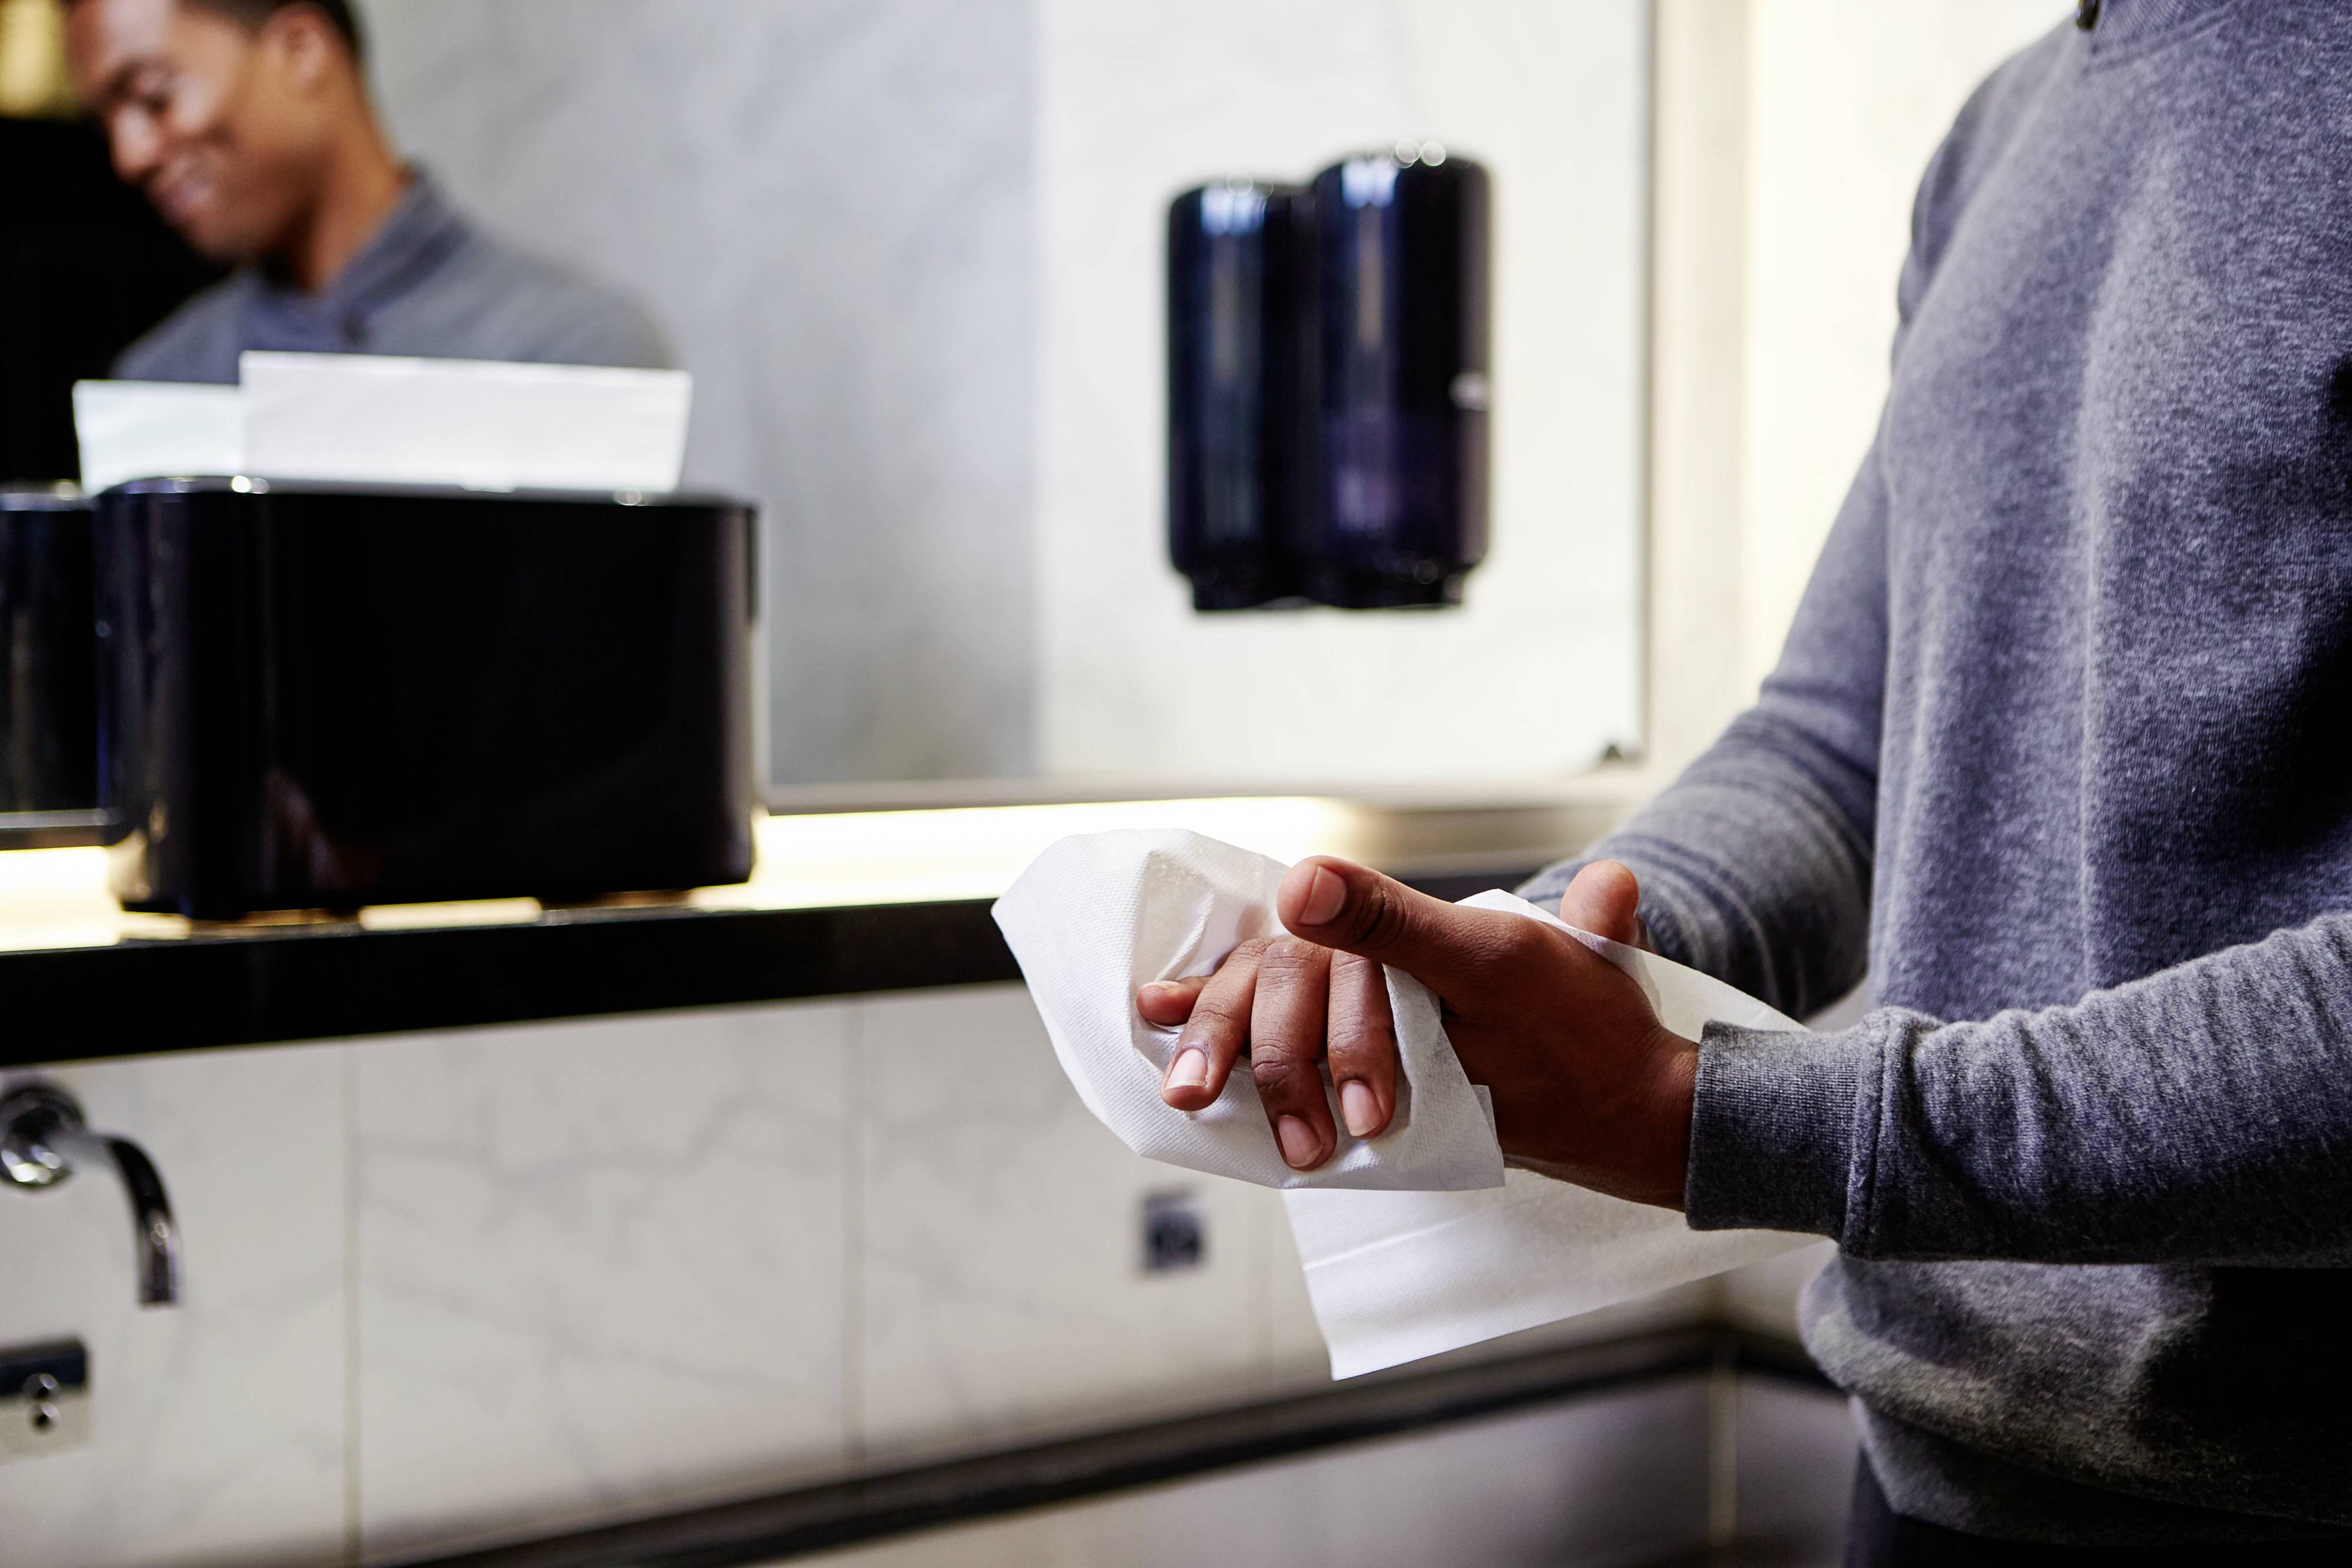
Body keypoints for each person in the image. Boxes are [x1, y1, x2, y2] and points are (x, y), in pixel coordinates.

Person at [1140, 1, 2352, 1558]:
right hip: (1929, 1484)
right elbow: (1835, 743)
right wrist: (1525, 953)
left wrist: (1716, 1114)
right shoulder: (2008, 129)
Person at [62, 0, 666, 382]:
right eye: (105, 125)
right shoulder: (166, 381)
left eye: (155, 97)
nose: (129, 157)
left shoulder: (565, 352)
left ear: (300, 51)